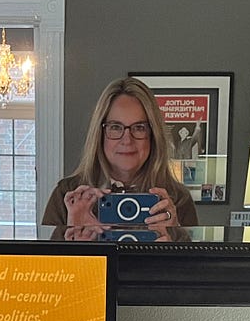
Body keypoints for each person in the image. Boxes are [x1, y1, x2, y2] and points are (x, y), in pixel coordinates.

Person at [41, 77, 197, 239]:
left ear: (153, 134)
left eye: (139, 128)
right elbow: (43, 264)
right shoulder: (68, 195)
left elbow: (195, 264)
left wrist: (174, 240)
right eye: (115, 127)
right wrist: (72, 241)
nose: (127, 140)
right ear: (100, 134)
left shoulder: (176, 199)